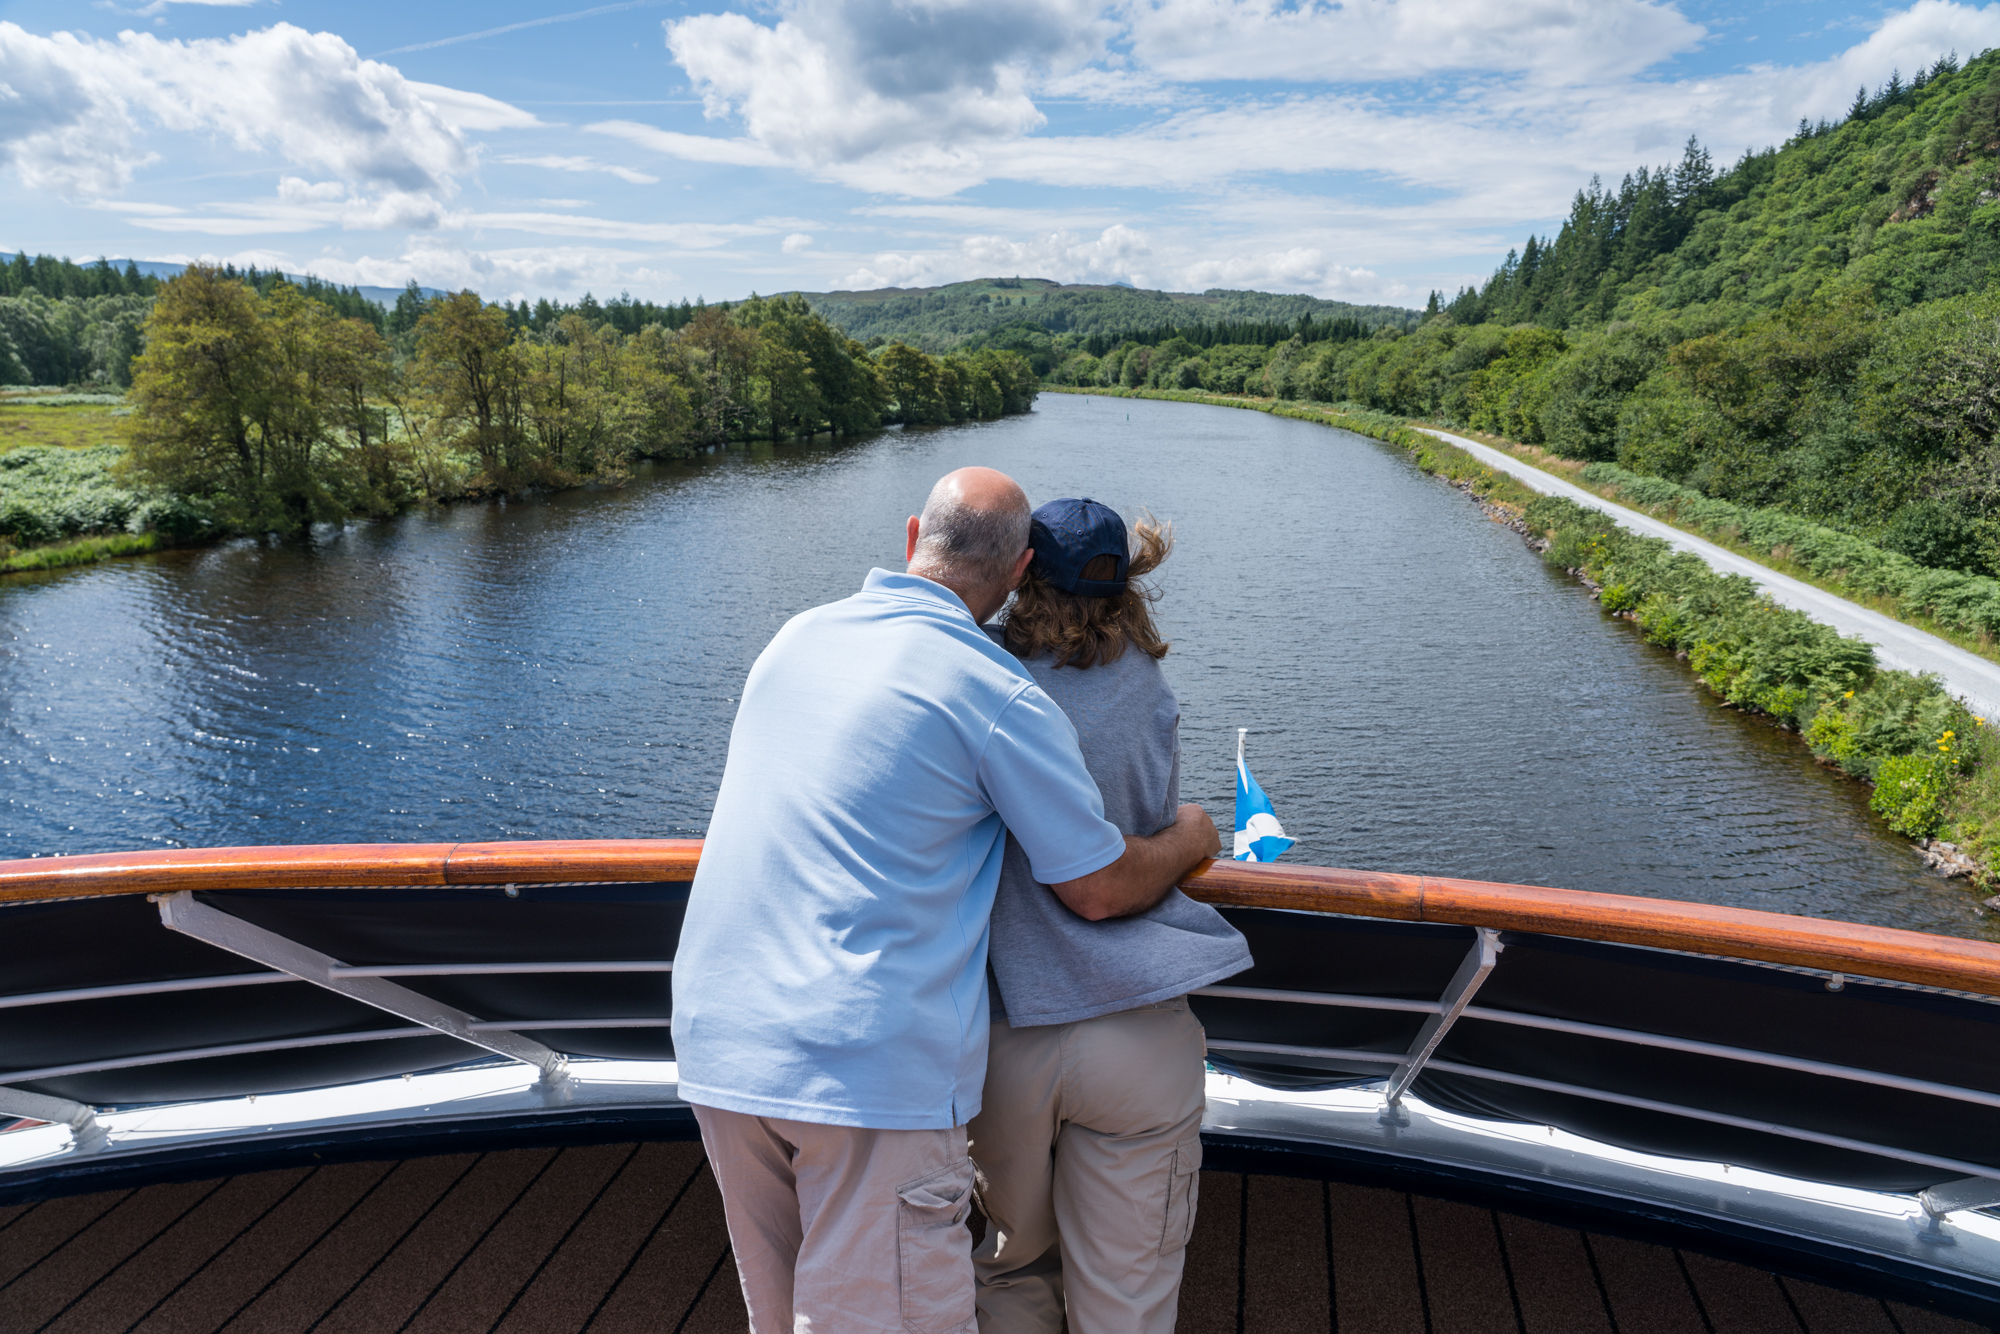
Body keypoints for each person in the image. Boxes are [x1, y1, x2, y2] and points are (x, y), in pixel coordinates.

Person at [671, 468, 1223, 1334]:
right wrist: (1193, 835)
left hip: (722, 1043)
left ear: (909, 538)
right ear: (1014, 566)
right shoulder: (1001, 692)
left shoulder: (798, 637)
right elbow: (1099, 887)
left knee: (801, 1314)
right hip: (864, 1064)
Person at [971, 498, 1254, 1334]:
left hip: (1001, 1032)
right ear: (1129, 583)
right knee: (1126, 1300)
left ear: (1023, 577)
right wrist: (1198, 831)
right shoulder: (1146, 686)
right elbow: (1141, 847)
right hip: (1133, 1027)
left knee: (1011, 1269)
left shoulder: (976, 678)